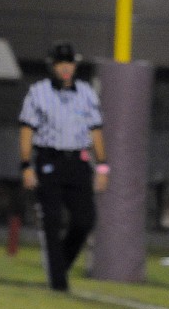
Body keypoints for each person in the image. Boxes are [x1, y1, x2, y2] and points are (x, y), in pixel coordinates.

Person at [19, 42, 109, 291]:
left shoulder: (86, 93)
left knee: (85, 220)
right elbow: (27, 130)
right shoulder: (38, 92)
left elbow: (96, 131)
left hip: (78, 162)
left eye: (70, 63)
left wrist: (102, 166)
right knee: (52, 220)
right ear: (53, 67)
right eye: (61, 64)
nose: (66, 68)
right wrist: (26, 165)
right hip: (49, 161)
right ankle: (58, 284)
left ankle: (60, 266)